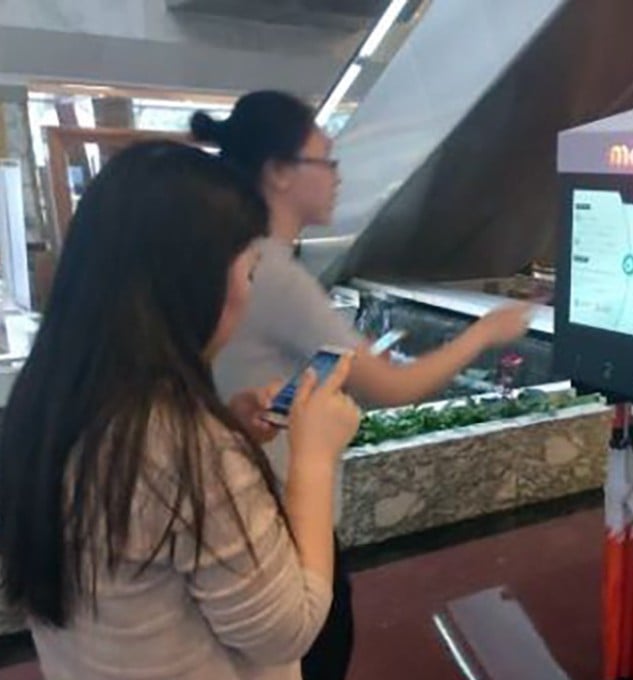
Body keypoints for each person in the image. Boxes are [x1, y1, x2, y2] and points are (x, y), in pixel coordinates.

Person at [191, 91, 532, 679]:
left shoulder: (248, 260)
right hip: (283, 513)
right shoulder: (274, 272)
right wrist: (485, 332)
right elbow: (394, 388)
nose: (337, 176)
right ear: (279, 172)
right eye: (325, 161)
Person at [0, 141, 362, 680]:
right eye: (248, 273)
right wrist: (313, 459)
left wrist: (233, 432)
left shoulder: (47, 405)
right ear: (195, 281)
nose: (248, 294)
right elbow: (290, 629)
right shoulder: (190, 448)